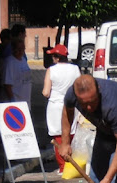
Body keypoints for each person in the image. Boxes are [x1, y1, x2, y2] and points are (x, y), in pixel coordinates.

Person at [42, 44, 81, 174]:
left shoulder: (51, 70)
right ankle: (72, 165)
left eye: (53, 56)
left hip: (55, 105)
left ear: (57, 57)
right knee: (71, 132)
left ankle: (63, 167)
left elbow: (46, 92)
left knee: (57, 135)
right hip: (72, 104)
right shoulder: (75, 69)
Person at [0, 38, 32, 110]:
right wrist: (13, 102)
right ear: (13, 49)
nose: (21, 51)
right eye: (18, 49)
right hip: (15, 104)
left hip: (25, 103)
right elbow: (7, 85)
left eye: (23, 49)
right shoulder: (9, 62)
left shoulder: (23, 60)